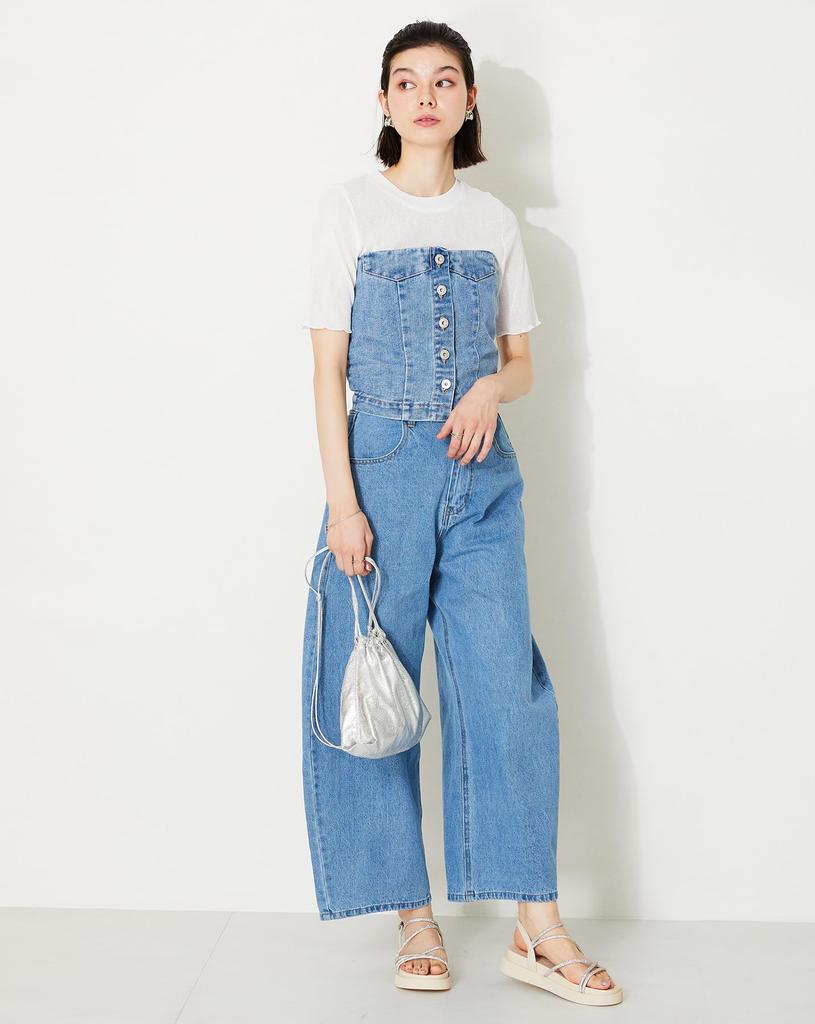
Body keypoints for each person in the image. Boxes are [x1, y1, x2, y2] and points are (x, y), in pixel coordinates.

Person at [300, 19, 622, 1006]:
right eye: (406, 82)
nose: (425, 97)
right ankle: (411, 914)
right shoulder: (348, 209)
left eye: (444, 81)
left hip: (483, 479)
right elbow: (324, 369)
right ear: (384, 102)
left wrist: (489, 389)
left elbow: (520, 362)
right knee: (372, 690)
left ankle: (536, 924)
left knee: (505, 693)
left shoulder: (494, 220)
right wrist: (343, 504)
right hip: (380, 473)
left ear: (470, 100)